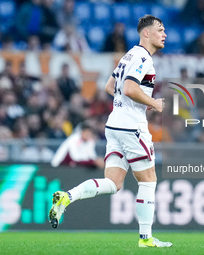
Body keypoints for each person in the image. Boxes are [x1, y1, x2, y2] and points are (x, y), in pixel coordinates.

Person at [48, 15, 172, 248]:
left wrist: (125, 104)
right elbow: (128, 87)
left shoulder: (128, 56)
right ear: (146, 33)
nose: (164, 34)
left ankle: (67, 197)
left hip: (114, 125)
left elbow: (109, 87)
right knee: (148, 180)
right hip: (131, 126)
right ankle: (146, 239)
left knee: (113, 183)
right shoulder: (143, 58)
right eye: (160, 30)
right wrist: (153, 103)